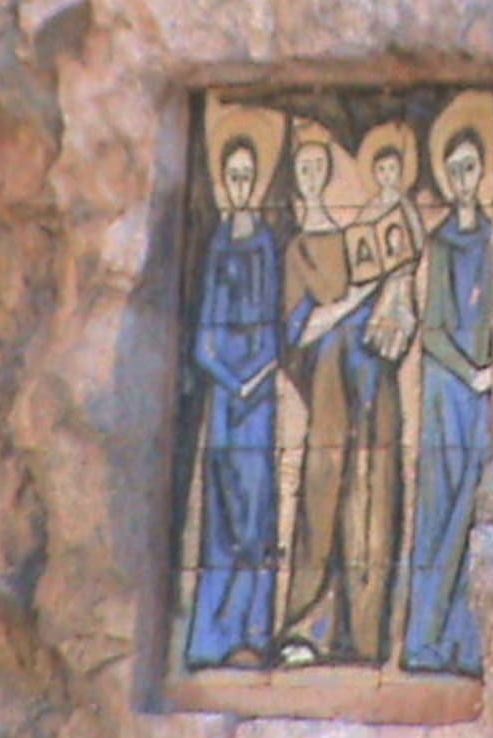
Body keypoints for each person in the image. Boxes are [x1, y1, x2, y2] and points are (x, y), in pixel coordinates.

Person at [278, 130, 408, 666]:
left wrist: (392, 297)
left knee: (371, 495)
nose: (313, 177)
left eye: (319, 167)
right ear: (294, 181)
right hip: (328, 391)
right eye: (303, 169)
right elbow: (295, 331)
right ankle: (307, 627)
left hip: (371, 384)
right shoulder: (298, 249)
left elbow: (394, 304)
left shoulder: (357, 236)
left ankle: (364, 635)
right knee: (323, 491)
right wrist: (350, 303)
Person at [185, 134, 282, 669]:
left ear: (259, 183)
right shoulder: (219, 246)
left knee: (256, 513)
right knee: (222, 515)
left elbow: (275, 329)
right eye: (234, 178)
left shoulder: (267, 244)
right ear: (225, 185)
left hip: (260, 402)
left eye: (249, 177)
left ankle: (255, 632)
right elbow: (204, 339)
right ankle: (213, 637)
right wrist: (231, 379)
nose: (242, 187)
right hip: (227, 400)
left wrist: (258, 375)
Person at [403, 121, 493, 677]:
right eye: (453, 170)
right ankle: (427, 641)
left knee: (477, 508)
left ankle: (468, 642)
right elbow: (433, 329)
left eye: (470, 168)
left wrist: (492, 369)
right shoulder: (440, 243)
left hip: (485, 387)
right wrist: (471, 374)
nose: (462, 180)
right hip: (447, 389)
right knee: (440, 512)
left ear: (483, 172)